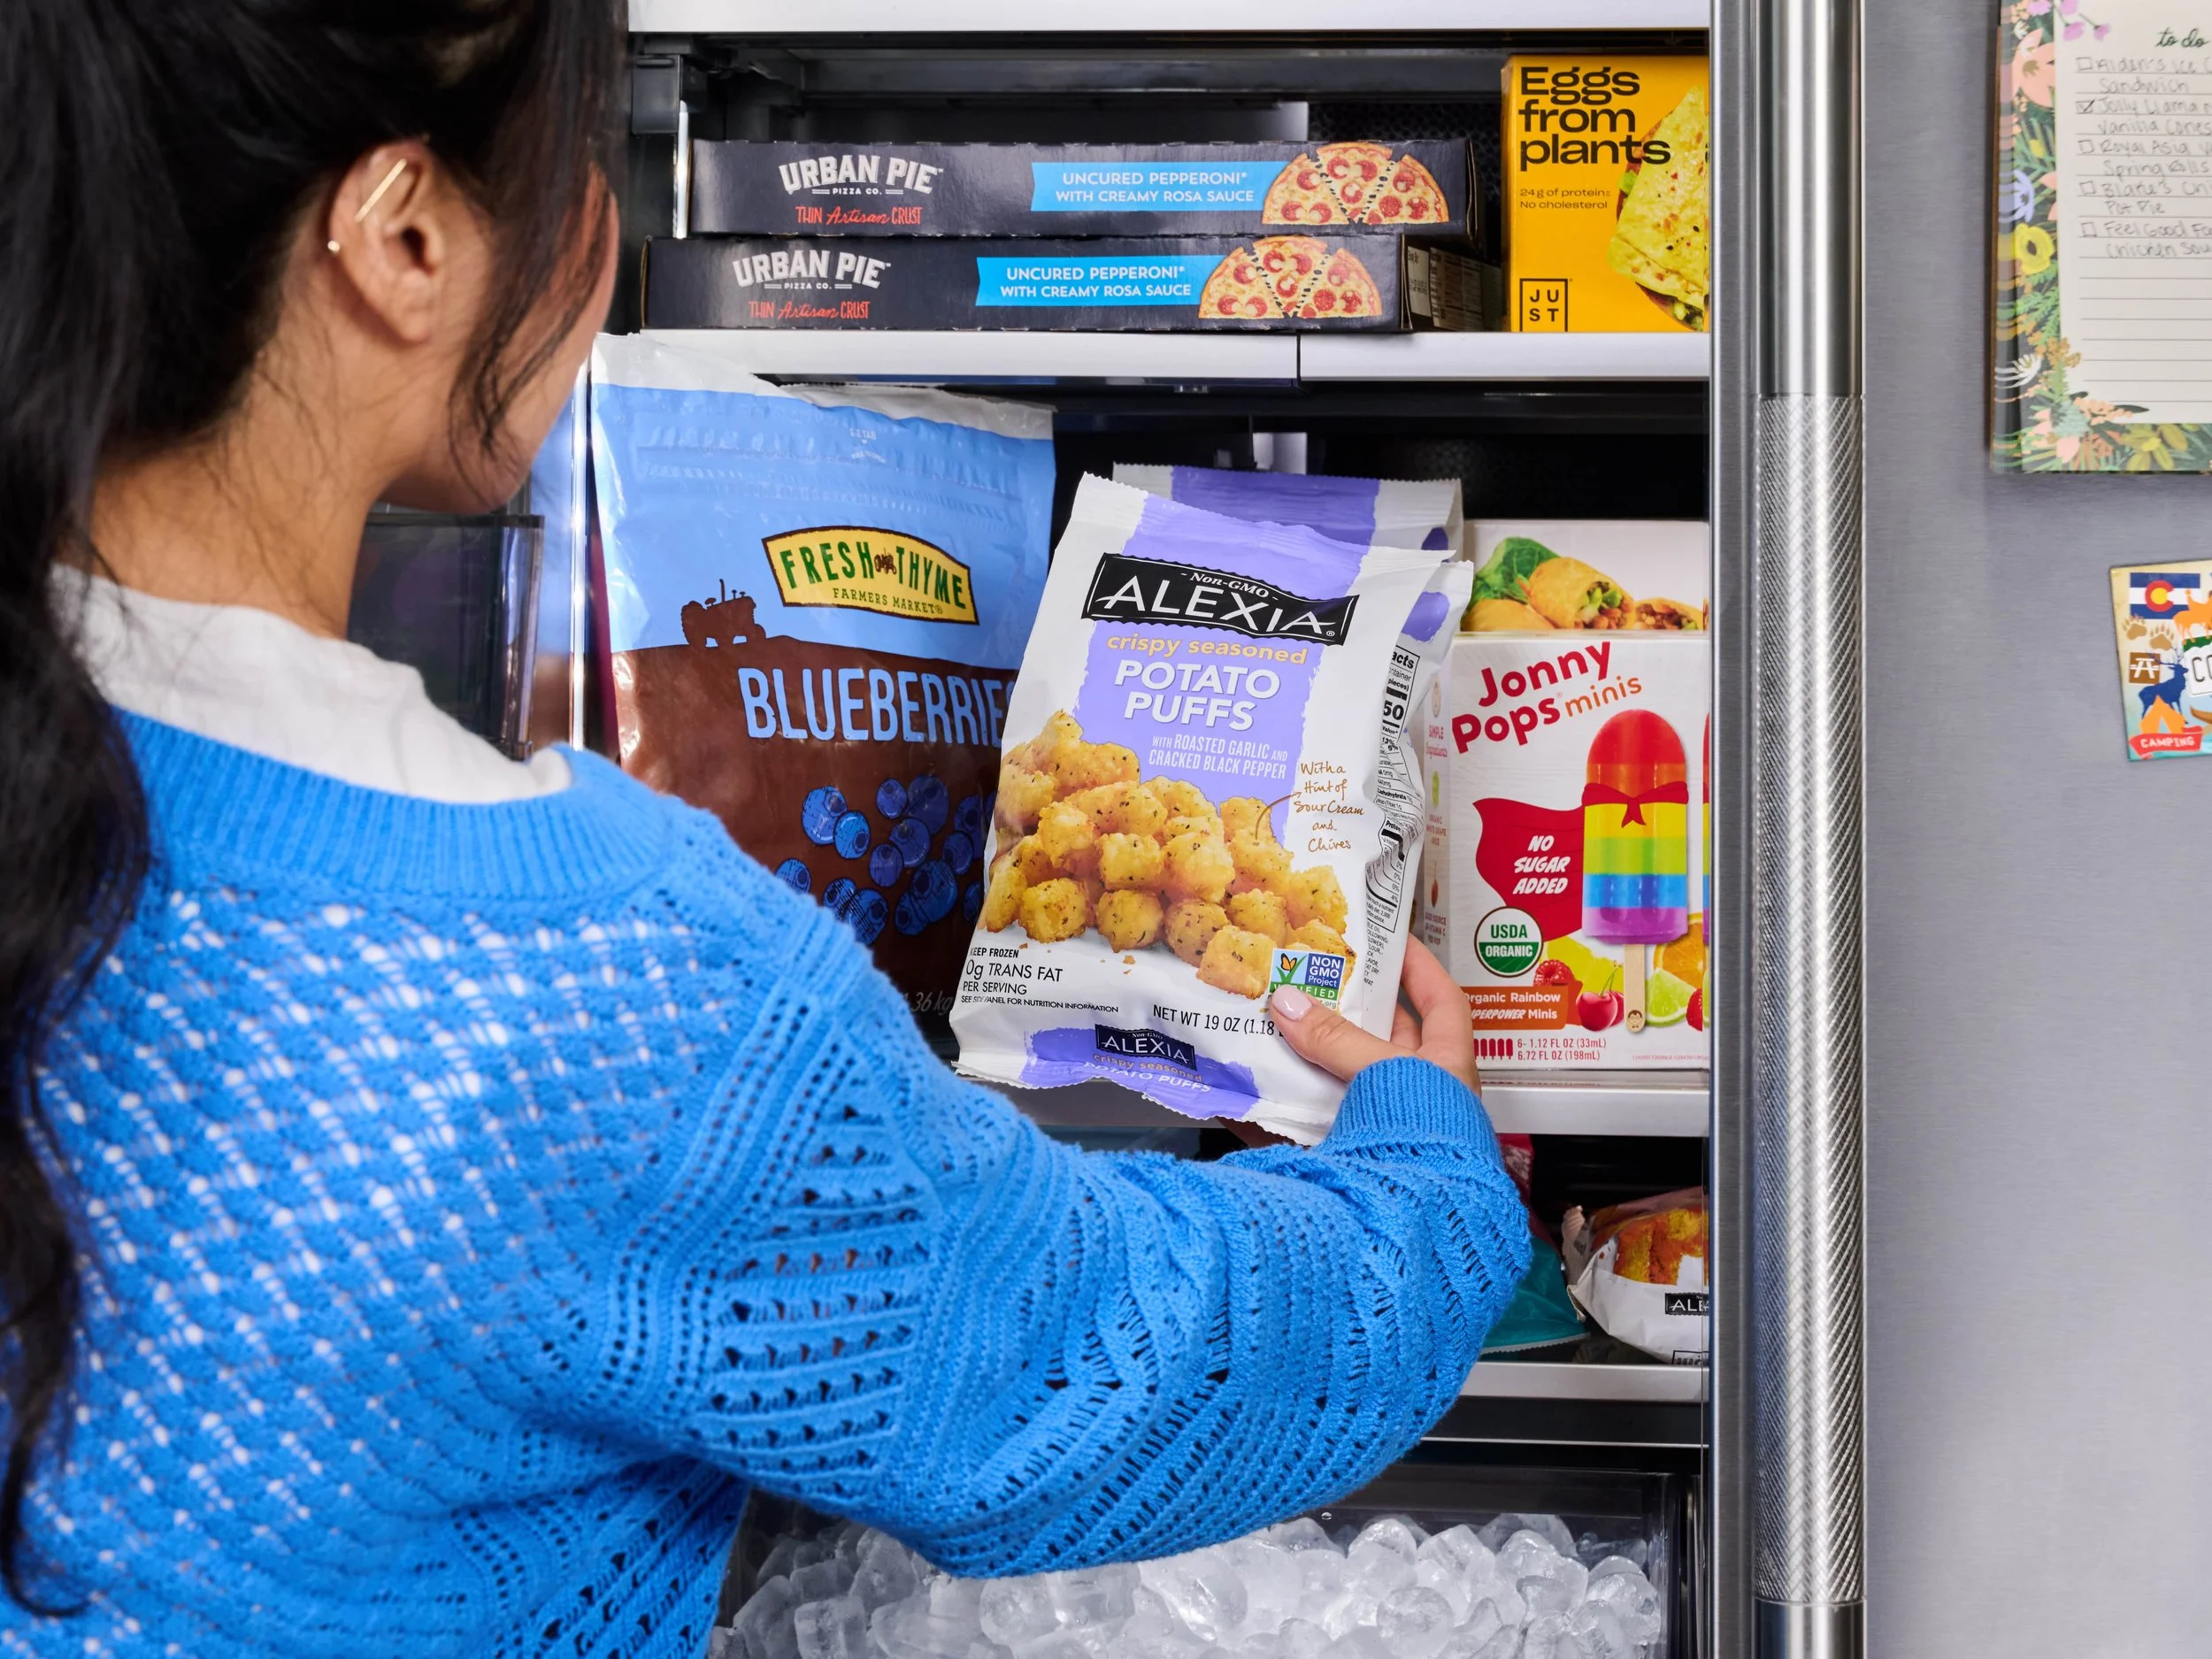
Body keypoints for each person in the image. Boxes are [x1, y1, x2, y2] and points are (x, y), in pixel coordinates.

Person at [0, 4, 1529, 1655]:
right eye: (580, 158)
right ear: (406, 237)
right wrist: (1421, 1177)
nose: (601, 224)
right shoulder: (594, 980)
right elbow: (1103, 1362)